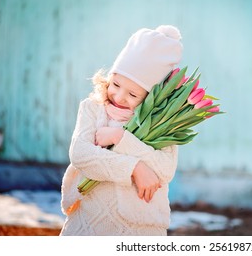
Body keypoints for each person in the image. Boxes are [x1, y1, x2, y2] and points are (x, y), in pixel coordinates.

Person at [59, 25, 183, 236]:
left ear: (151, 97)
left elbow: (165, 169)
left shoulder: (161, 123)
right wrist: (135, 168)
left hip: (140, 229)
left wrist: (121, 138)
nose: (118, 97)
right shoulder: (93, 108)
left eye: (133, 95)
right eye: (115, 84)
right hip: (89, 222)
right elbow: (81, 155)